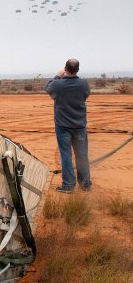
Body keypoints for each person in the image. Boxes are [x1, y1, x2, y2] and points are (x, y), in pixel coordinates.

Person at [45, 58, 92, 193]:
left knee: (65, 155)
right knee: (82, 155)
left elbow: (47, 88)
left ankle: (68, 185)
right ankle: (85, 184)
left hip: (63, 126)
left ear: (65, 69)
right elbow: (85, 95)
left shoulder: (58, 84)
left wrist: (58, 76)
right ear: (78, 70)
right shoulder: (84, 84)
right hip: (80, 125)